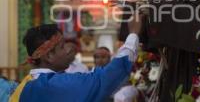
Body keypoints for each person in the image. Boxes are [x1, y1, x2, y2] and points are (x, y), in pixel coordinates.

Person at [10, 13, 143, 102]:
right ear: (49, 56)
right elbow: (103, 79)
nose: (68, 49)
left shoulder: (25, 86)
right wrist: (133, 34)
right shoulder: (51, 85)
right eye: (62, 46)